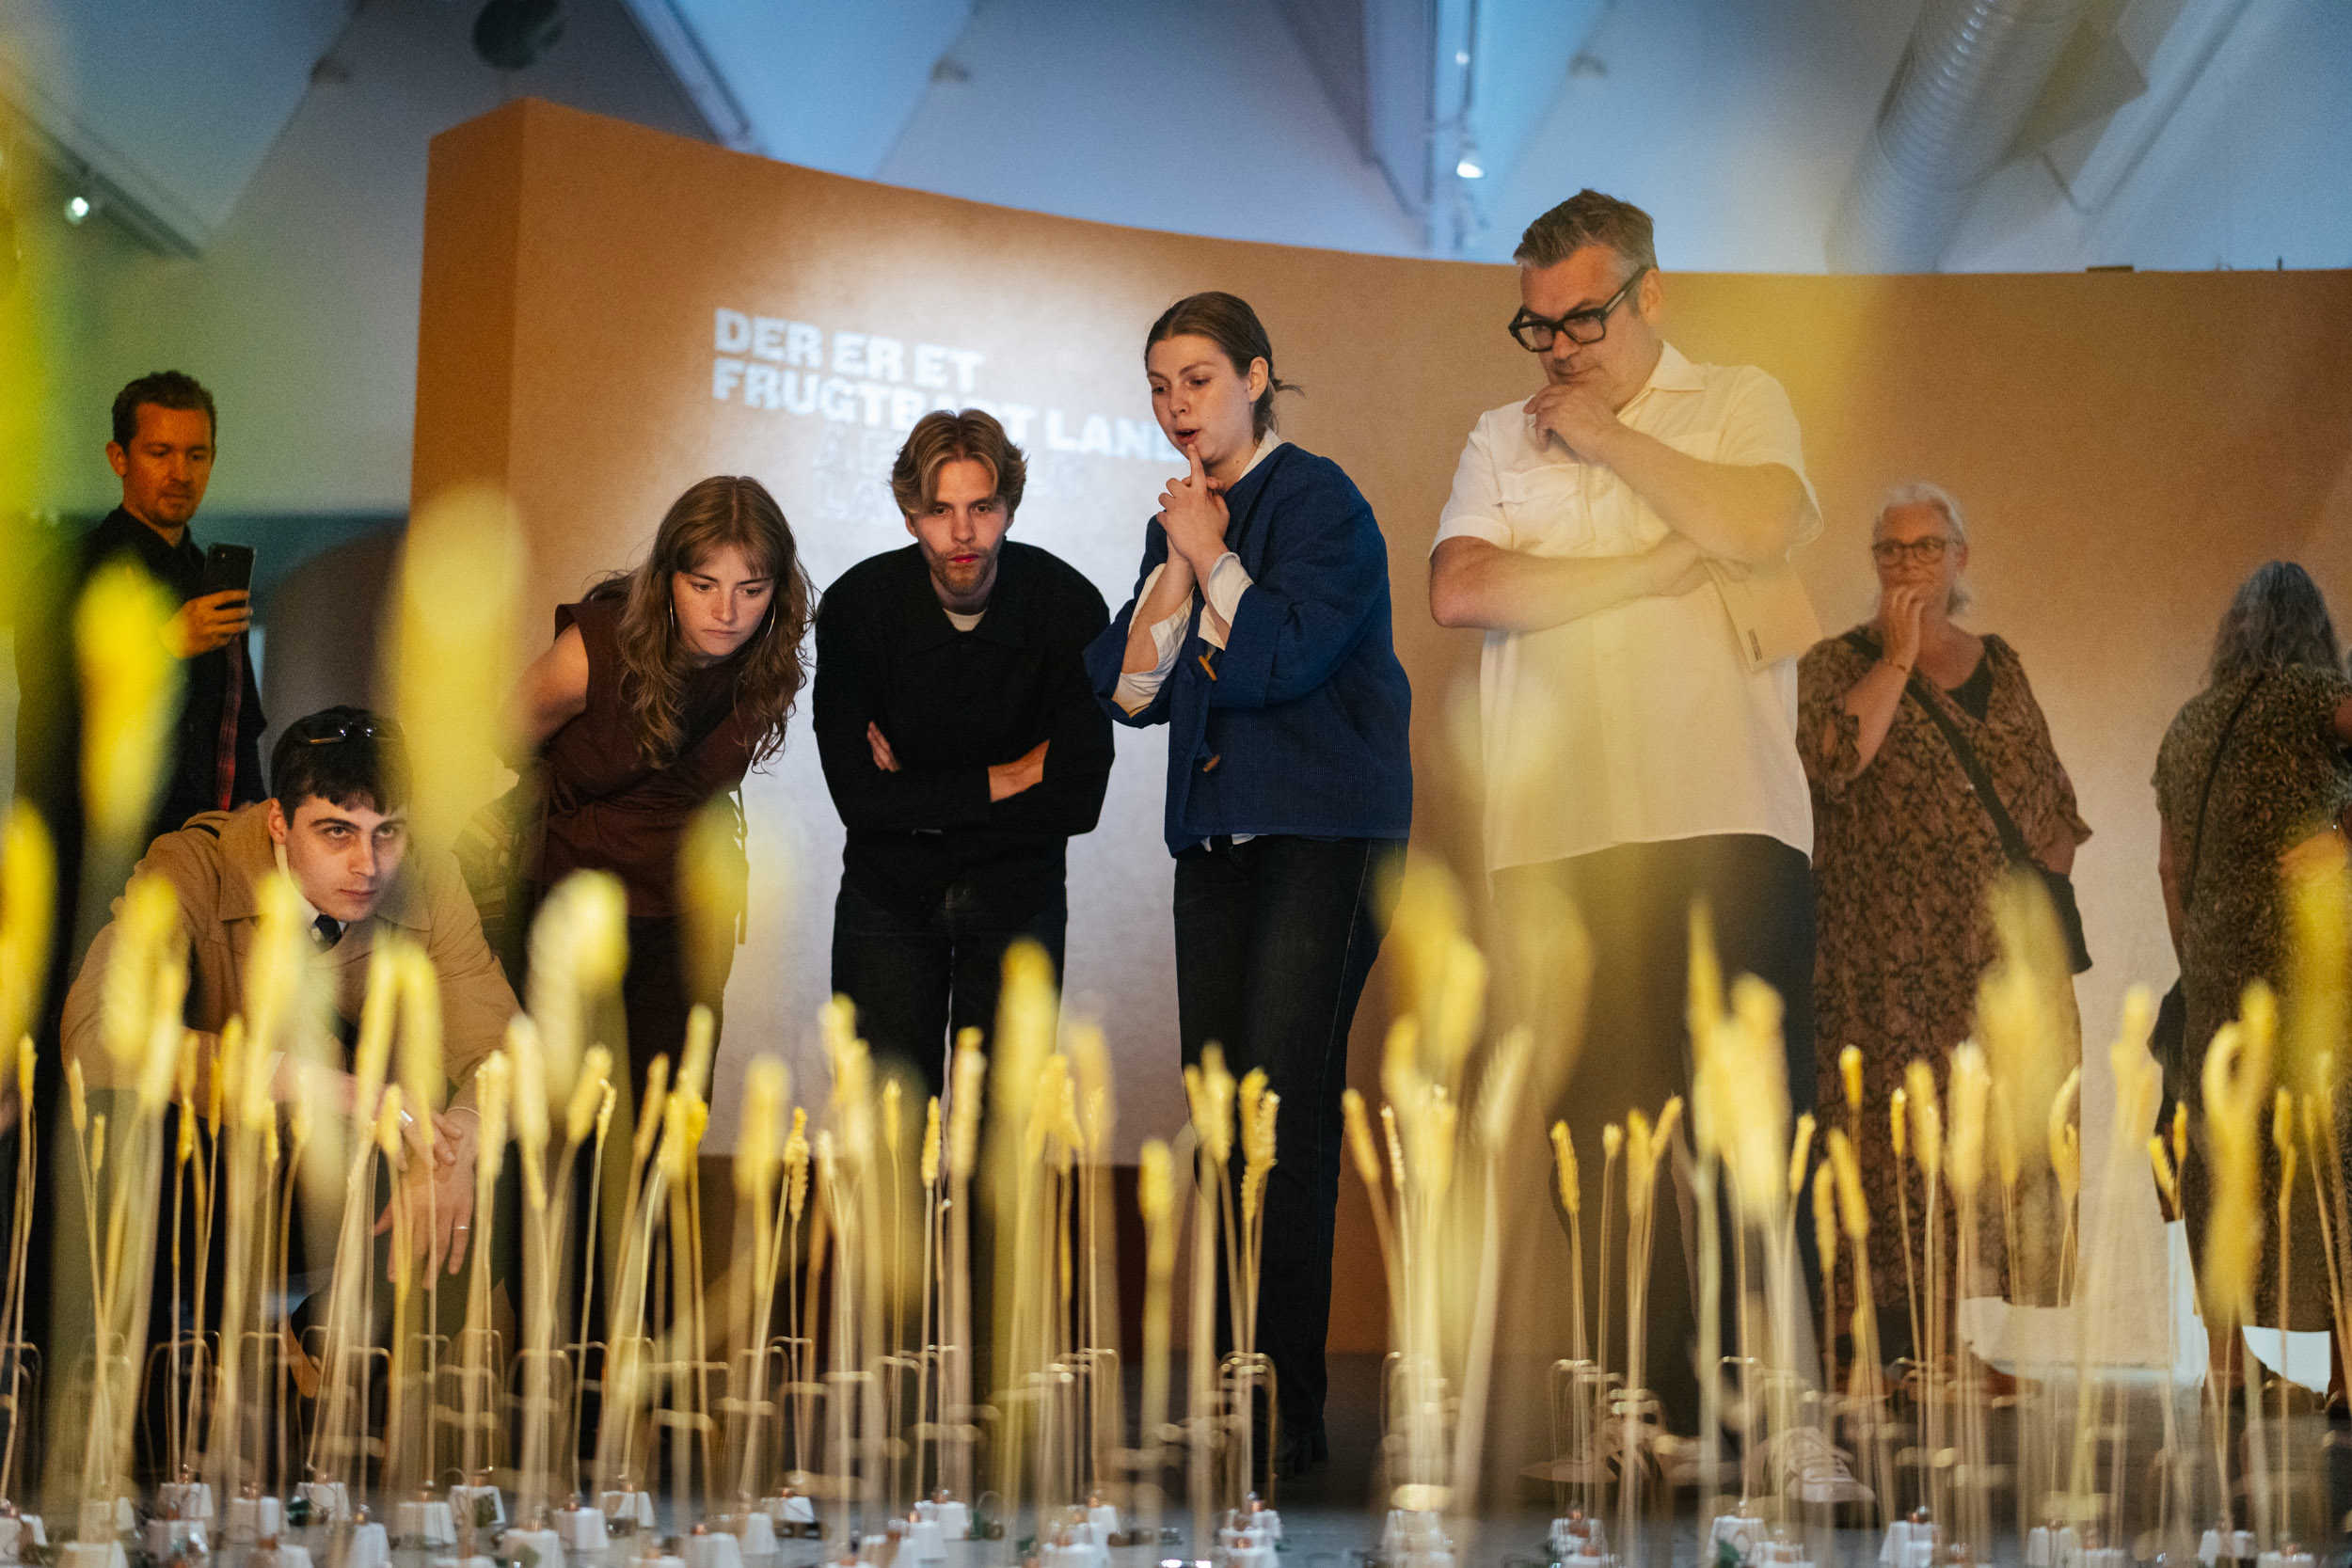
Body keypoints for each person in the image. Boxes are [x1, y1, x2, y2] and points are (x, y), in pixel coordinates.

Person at [1426, 190, 1830, 1454]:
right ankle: (1644, 1402)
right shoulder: (1499, 435)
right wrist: (1653, 569)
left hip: (1725, 811)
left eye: (1583, 319)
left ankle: (1781, 1411)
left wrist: (1608, 438)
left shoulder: (1738, 399)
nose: (1557, 349)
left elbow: (1759, 522)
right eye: (1537, 326)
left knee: (1750, 1117)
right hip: (1557, 834)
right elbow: (1462, 585)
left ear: (1650, 294)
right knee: (1594, 1129)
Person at [1083, 291, 1411, 1477]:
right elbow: (1127, 690)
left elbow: (1284, 653)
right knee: (1222, 1113)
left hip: (1323, 835)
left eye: (1199, 379)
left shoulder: (1321, 498)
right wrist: (1180, 564)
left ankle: (1287, 1404)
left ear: (1256, 377)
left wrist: (1210, 554)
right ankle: (1238, 1381)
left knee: (1283, 1106)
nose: (1176, 405)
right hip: (1218, 842)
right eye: (1159, 386)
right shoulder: (1182, 513)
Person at [58, 708, 513, 1411]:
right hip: (216, 1173)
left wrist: (464, 1144)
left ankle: (337, 1369)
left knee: (518, 1147)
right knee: (118, 1117)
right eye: (337, 831)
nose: (368, 864)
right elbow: (98, 1032)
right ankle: (158, 1384)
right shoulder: (195, 866)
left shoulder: (429, 878)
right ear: (278, 822)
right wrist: (319, 1085)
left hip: (363, 1176)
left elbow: (504, 1048)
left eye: (388, 833)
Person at [9, 370, 265, 1376]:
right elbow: (48, 710)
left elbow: (241, 733)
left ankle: (162, 1345)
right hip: (89, 887)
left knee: (179, 1108)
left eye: (196, 454)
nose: (179, 472)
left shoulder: (208, 571)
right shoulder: (73, 565)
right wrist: (164, 643)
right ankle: (53, 1343)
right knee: (83, 1108)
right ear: (119, 457)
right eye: (160, 452)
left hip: (194, 890)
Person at [1797, 483, 2089, 1349]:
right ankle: (1880, 1349)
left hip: (1998, 965)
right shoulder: (1836, 663)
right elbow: (1833, 760)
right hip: (1886, 962)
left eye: (1927, 546)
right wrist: (1896, 658)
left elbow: (2054, 802)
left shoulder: (2003, 662)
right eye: (1891, 549)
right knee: (1895, 1145)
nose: (1908, 564)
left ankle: (1962, 1349)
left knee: (1993, 1144)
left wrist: (2033, 908)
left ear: (1960, 557)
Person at [815, 409, 1113, 1098]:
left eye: (982, 507)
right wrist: (1012, 775)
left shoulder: (1067, 604)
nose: (962, 532)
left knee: (1004, 1136)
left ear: (1009, 509)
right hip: (888, 898)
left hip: (1019, 899)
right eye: (939, 510)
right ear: (909, 516)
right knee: (885, 1128)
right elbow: (859, 799)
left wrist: (917, 796)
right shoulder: (859, 604)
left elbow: (1079, 797)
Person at [506, 475, 813, 1088]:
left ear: (777, 592)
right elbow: (506, 734)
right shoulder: (595, 649)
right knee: (561, 1114)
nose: (727, 613)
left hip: (688, 913)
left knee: (671, 1112)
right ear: (668, 579)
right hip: (573, 903)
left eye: (751, 590)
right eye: (704, 585)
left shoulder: (766, 658)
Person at [2155, 562, 2352, 1332]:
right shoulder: (2317, 700)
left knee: (2232, 1178)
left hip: (2217, 990)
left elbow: (2170, 868)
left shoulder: (2187, 726)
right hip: (2315, 982)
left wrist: (2201, 960)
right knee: (2326, 1171)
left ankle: (2234, 1369)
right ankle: (2339, 1369)